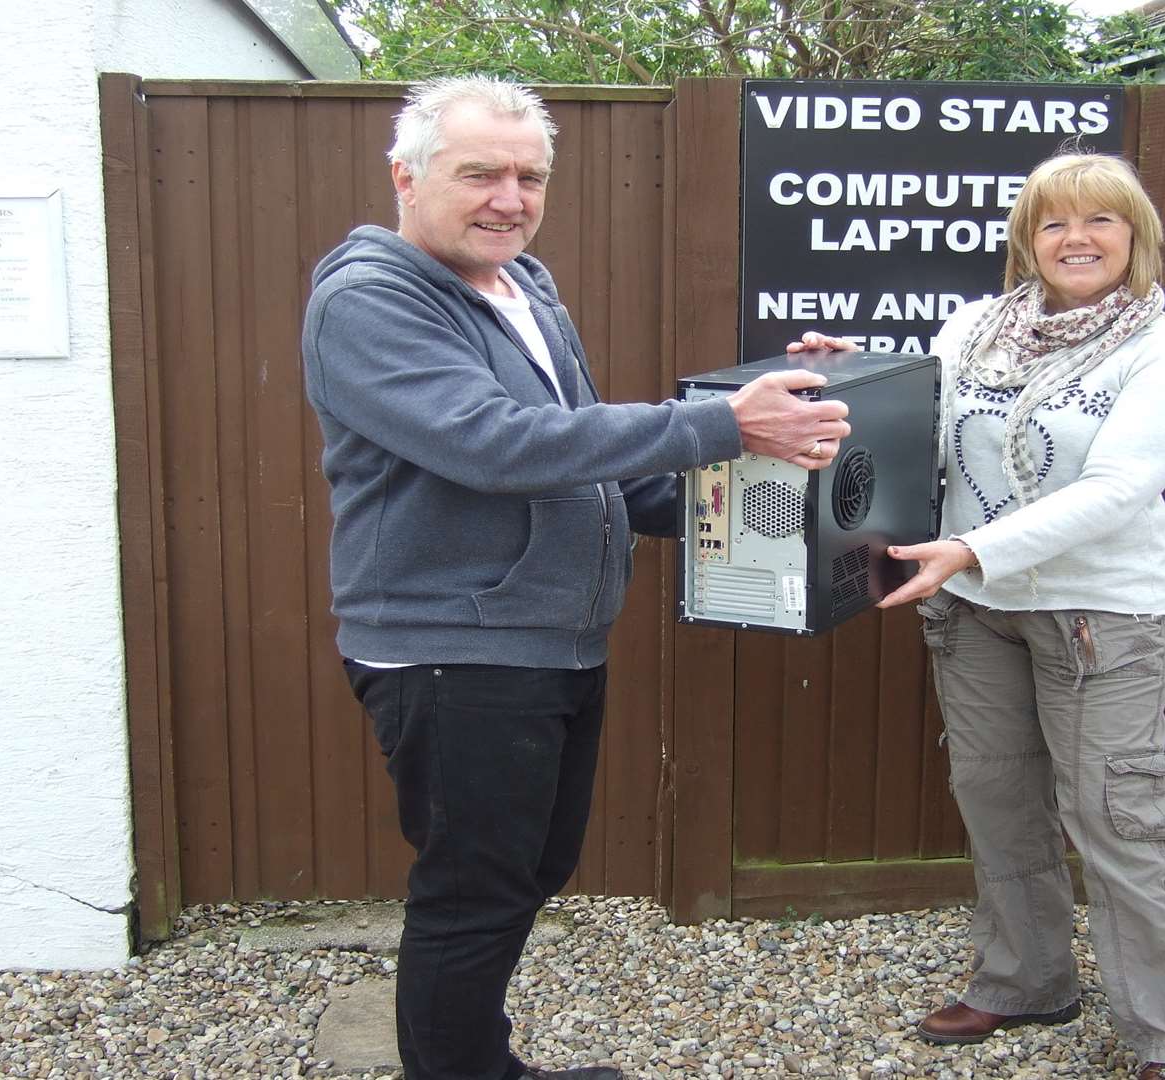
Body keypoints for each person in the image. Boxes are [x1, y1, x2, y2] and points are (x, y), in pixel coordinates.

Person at [302, 76, 850, 1080]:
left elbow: (587, 464)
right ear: (406, 177)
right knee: (474, 890)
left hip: (551, 633)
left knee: (523, 874)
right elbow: (496, 445)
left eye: (528, 176)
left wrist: (769, 479)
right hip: (454, 647)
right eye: (480, 174)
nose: (509, 197)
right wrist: (730, 423)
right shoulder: (368, 300)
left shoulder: (521, 286)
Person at [792, 152, 1165, 1079]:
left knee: (1117, 817)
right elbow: (917, 406)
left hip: (1094, 615)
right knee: (996, 801)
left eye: (1099, 221)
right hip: (974, 609)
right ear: (1027, 241)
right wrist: (850, 370)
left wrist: (975, 548)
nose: (1076, 239)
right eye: (1053, 223)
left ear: (1136, 236)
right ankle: (1028, 979)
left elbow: (1118, 488)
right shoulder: (976, 327)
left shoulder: (1164, 353)